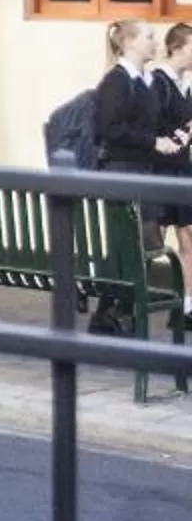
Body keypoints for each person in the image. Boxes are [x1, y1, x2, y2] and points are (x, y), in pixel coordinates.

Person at [96, 20, 192, 313]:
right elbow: (109, 128)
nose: (155, 42)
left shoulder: (140, 81)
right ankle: (113, 307)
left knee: (144, 243)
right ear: (130, 43)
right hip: (130, 171)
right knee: (138, 244)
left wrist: (171, 137)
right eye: (149, 37)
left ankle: (120, 309)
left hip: (145, 170)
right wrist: (156, 141)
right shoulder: (119, 80)